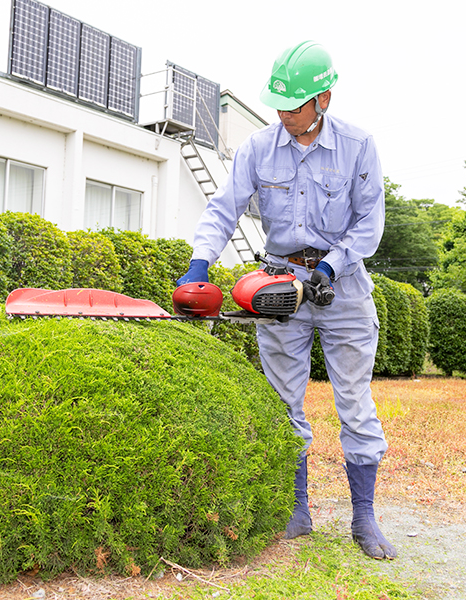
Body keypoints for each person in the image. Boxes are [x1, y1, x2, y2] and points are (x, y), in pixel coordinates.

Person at [176, 40, 396, 560]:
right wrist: (199, 263)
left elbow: (369, 223)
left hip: (342, 284)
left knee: (354, 403)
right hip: (280, 287)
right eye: (278, 104)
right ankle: (297, 509)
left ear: (324, 98)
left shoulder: (358, 145)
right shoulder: (258, 147)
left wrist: (328, 268)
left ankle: (363, 518)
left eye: (293, 105)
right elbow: (224, 207)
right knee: (282, 401)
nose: (283, 115)